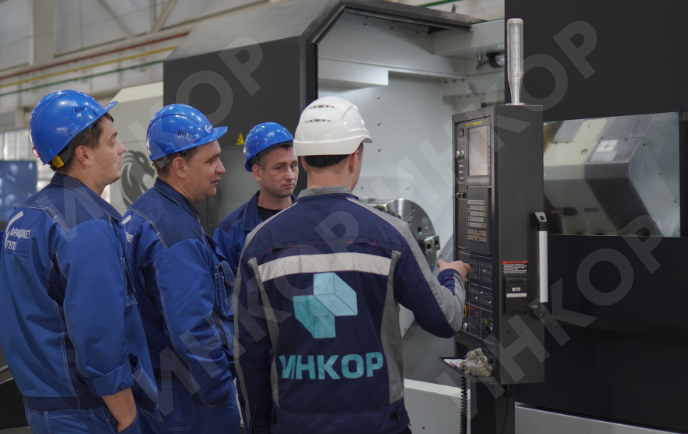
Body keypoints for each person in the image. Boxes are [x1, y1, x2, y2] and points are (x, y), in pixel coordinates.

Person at [234, 96, 471, 434]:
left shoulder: (259, 243)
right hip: (377, 424)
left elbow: (249, 356)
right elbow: (446, 319)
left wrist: (261, 428)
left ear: (303, 159)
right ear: (356, 155)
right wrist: (451, 276)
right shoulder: (390, 234)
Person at [0, 90, 157, 434]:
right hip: (87, 410)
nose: (122, 149)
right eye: (112, 141)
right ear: (84, 154)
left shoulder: (25, 214)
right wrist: (127, 414)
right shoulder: (85, 224)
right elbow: (98, 333)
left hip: (42, 403)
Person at [122, 104, 241, 433]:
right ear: (179, 166)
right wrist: (220, 391)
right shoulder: (175, 232)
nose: (221, 168)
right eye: (211, 160)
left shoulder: (142, 211)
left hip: (155, 389)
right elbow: (191, 331)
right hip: (191, 401)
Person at [215, 122, 298, 275]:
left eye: (293, 165)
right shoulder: (230, 232)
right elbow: (223, 287)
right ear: (257, 173)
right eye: (280, 167)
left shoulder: (312, 219)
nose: (290, 175)